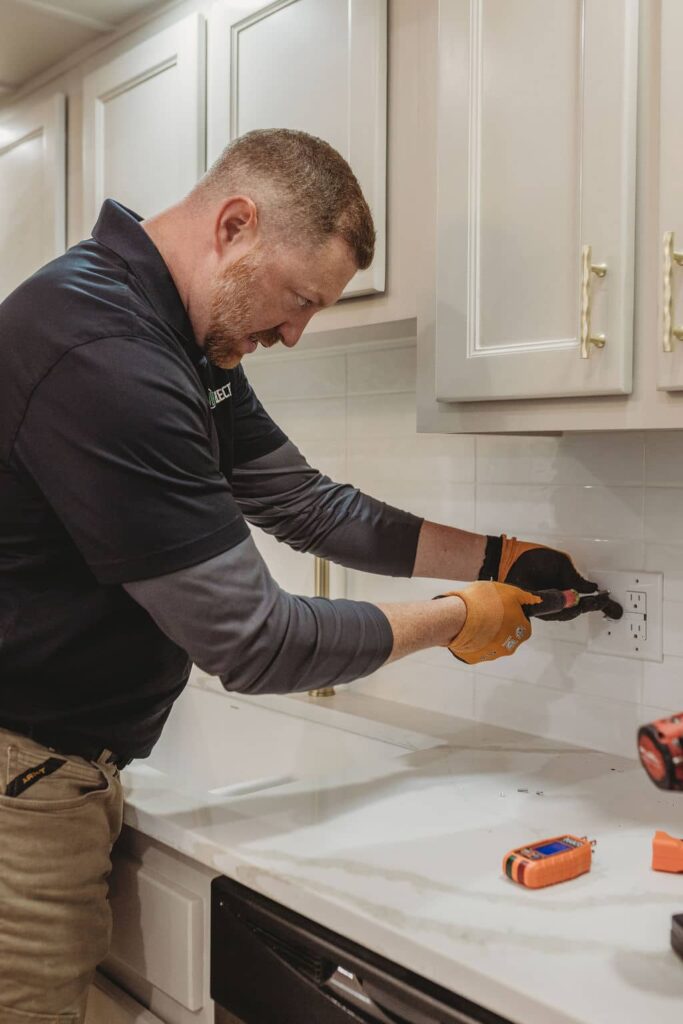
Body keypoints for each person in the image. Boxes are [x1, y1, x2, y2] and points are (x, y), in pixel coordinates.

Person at [0, 128, 599, 1021]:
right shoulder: (105, 350)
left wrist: (498, 558)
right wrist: (456, 615)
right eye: (298, 301)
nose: (294, 332)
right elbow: (255, 642)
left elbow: (307, 505)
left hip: (53, 767)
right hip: (23, 783)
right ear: (234, 225)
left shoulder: (177, 332)